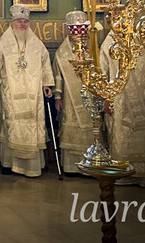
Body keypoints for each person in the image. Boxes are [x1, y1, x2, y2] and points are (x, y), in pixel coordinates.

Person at [0, 5, 54, 177]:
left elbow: (45, 63)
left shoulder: (36, 43)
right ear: (13, 23)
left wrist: (47, 84)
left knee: (32, 127)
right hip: (10, 92)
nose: (23, 24)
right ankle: (10, 164)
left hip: (33, 93)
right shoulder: (4, 42)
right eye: (19, 21)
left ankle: (33, 166)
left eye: (25, 21)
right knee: (12, 126)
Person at [100, 32, 145, 186]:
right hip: (118, 99)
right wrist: (106, 99)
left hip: (143, 98)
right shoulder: (109, 42)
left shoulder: (142, 39)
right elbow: (102, 72)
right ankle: (122, 176)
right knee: (121, 136)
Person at [52, 11, 94, 175]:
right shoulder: (62, 53)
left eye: (81, 28)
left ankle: (91, 165)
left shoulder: (93, 49)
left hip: (91, 95)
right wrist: (57, 96)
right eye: (74, 29)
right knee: (71, 124)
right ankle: (71, 167)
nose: (78, 33)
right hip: (69, 97)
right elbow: (58, 76)